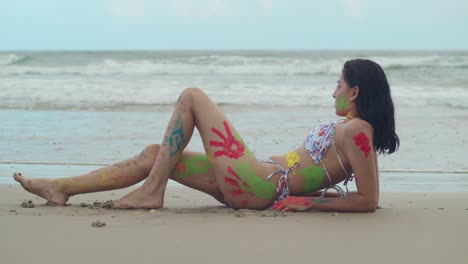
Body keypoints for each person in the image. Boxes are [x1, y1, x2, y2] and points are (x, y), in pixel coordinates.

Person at [13, 59, 399, 212]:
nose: (333, 91)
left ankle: (152, 192)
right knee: (157, 153)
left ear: (355, 91)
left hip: (262, 185)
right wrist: (317, 192)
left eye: (338, 84)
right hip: (257, 181)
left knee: (192, 96)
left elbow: (369, 200)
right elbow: (341, 179)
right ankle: (62, 187)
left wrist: (307, 204)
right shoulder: (355, 132)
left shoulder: (358, 130)